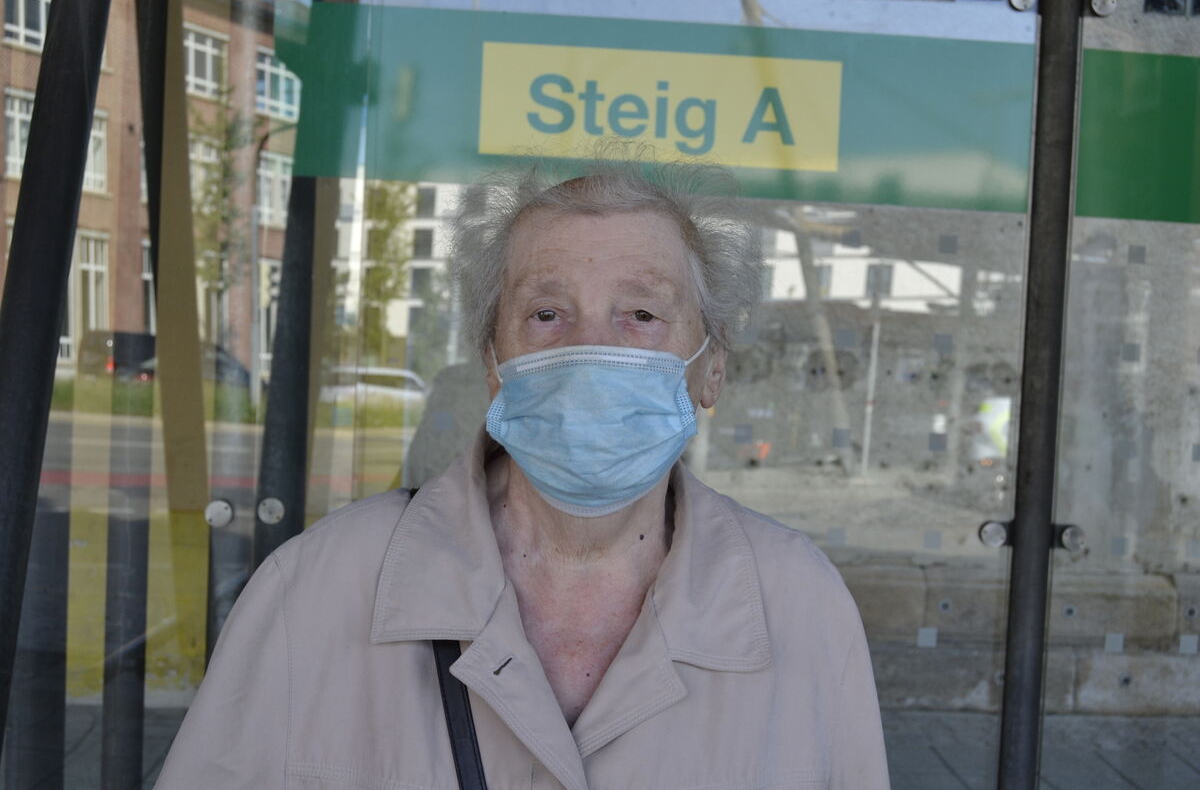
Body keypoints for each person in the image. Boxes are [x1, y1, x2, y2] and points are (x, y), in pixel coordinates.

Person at [155, 156, 890, 789]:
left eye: (641, 314)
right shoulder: (313, 590)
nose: (590, 348)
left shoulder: (801, 606)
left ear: (712, 368)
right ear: (493, 362)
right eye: (546, 314)